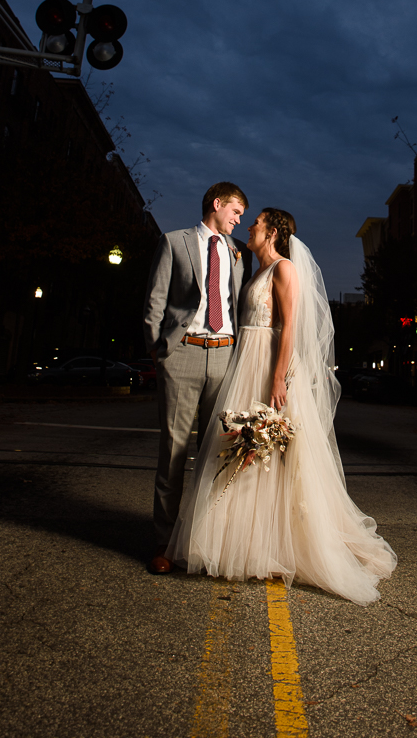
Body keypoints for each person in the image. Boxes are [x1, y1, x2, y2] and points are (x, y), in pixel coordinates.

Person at [168, 208, 397, 606]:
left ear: (272, 232)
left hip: (269, 362)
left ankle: (278, 543)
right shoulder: (255, 270)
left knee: (272, 453)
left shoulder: (284, 269)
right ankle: (238, 541)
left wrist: (278, 378)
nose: (250, 227)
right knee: (240, 446)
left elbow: (289, 324)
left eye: (255, 222)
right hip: (246, 360)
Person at [143, 182, 252, 574]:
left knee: (216, 454)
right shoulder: (175, 242)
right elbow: (156, 299)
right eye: (236, 212)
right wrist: (159, 349)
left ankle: (204, 542)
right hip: (183, 352)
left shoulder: (237, 254)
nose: (239, 220)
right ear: (217, 204)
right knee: (172, 452)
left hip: (223, 355)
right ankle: (164, 543)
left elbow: (237, 305)